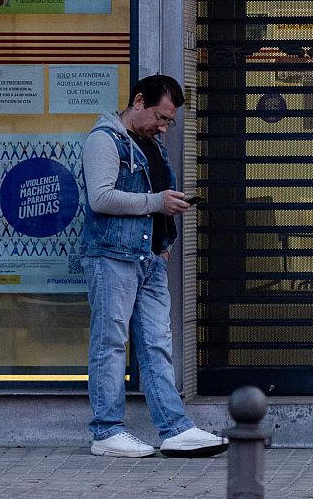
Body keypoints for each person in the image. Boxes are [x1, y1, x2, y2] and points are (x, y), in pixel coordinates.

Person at [79, 74, 227, 458]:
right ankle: (106, 431)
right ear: (139, 101)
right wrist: (157, 202)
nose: (163, 127)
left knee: (157, 344)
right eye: (161, 118)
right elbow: (101, 198)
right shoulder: (104, 140)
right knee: (110, 343)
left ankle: (174, 429)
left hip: (149, 260)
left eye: (169, 122)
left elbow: (158, 200)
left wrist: (164, 243)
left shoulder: (151, 145)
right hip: (111, 257)